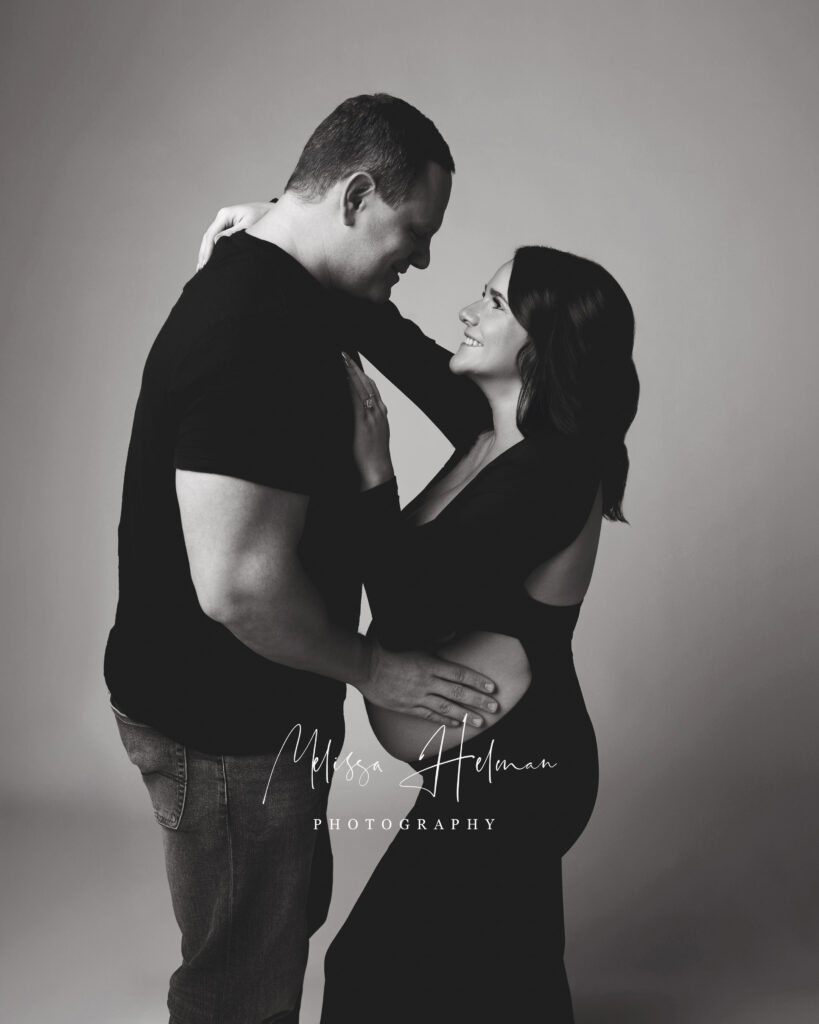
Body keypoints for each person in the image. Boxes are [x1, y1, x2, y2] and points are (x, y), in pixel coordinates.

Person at [105, 94, 503, 1024]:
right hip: (223, 729)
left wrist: (283, 233)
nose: (429, 257)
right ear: (358, 195)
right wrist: (378, 671)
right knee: (242, 985)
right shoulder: (258, 323)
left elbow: (467, 409)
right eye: (415, 229)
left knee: (275, 930)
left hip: (252, 715)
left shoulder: (287, 290)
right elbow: (240, 588)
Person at [203, 199, 638, 1018]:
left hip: (519, 777)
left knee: (370, 967)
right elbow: (384, 330)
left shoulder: (552, 470)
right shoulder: (489, 426)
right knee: (511, 972)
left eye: (496, 303)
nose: (470, 310)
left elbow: (410, 607)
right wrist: (278, 229)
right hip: (478, 766)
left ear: (543, 343)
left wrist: (375, 475)